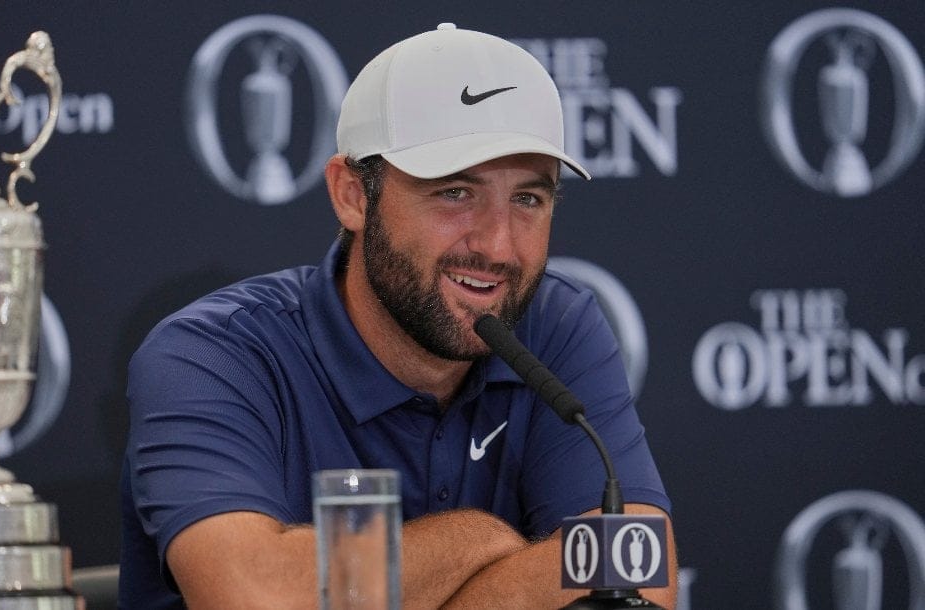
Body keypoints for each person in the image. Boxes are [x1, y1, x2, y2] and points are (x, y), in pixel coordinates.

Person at [120, 23, 677, 609]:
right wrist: (478, 539)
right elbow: (256, 599)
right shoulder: (208, 355)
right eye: (455, 192)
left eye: (527, 199)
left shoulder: (554, 325)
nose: (498, 247)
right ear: (353, 195)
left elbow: (640, 580)